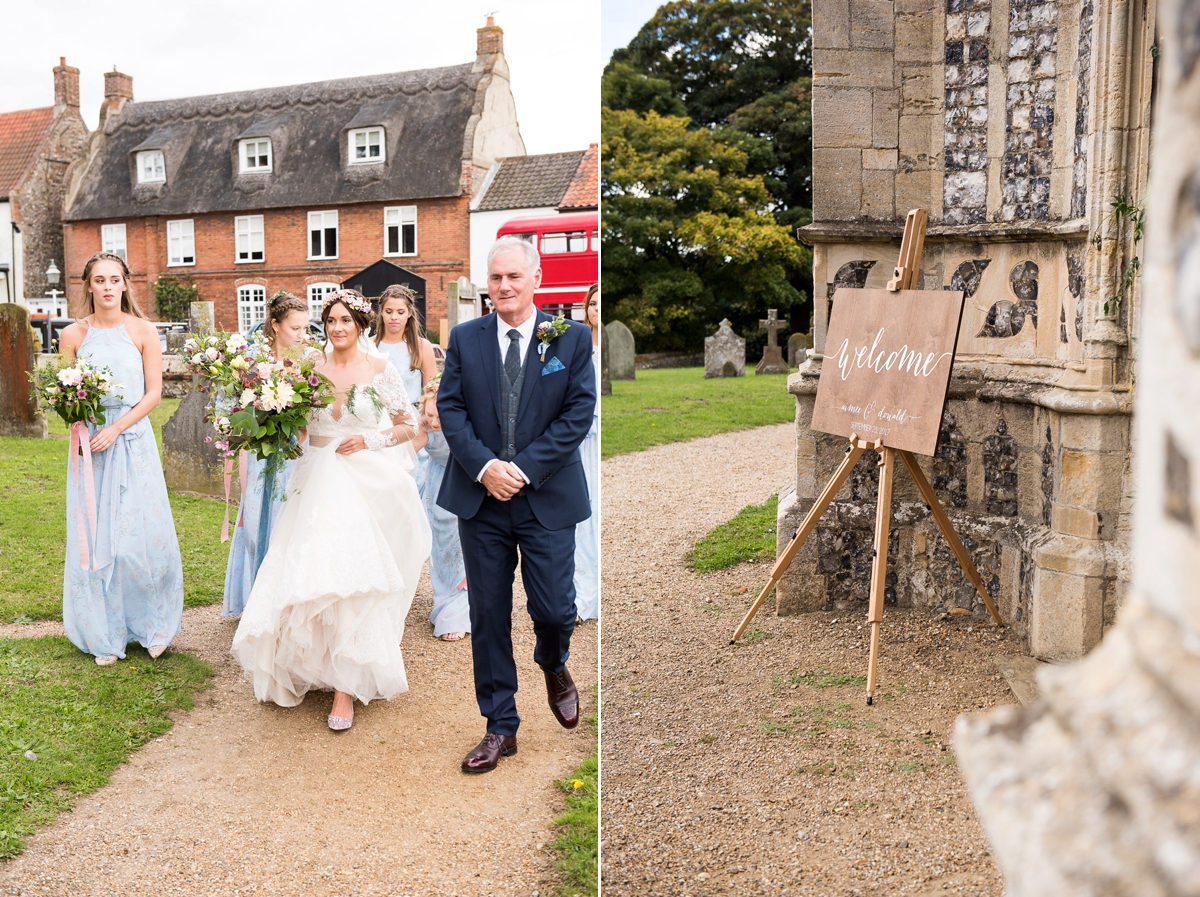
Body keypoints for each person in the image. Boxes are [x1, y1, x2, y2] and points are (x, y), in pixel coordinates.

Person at [231, 289, 431, 731]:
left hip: (364, 479)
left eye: (346, 320)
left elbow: (408, 424)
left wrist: (369, 440)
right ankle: (316, 663)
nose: (338, 327)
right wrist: (268, 423)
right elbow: (299, 427)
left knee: (352, 578)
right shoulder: (308, 368)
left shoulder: (380, 368)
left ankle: (346, 686)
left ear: (360, 325)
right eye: (332, 320)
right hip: (315, 477)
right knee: (314, 573)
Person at [437, 236, 596, 773]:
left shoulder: (569, 338)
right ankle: (500, 725)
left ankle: (553, 662)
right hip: (481, 500)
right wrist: (486, 468)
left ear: (536, 279)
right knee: (488, 615)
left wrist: (522, 470)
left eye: (514, 277)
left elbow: (577, 413)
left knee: (554, 609)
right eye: (496, 277)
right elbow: (451, 408)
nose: (503, 287)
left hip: (546, 496)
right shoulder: (465, 338)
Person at [58, 251, 184, 665]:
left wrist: (117, 427)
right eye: (100, 280)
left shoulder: (144, 331)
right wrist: (83, 420)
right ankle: (104, 631)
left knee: (140, 538)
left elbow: (153, 394)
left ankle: (153, 625)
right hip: (91, 447)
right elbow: (64, 396)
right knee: (98, 537)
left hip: (133, 441)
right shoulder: (72, 336)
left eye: (115, 279)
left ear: (126, 284)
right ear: (88, 286)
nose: (108, 287)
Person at [222, 292, 311, 617]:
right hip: (262, 457)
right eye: (295, 328)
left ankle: (287, 601)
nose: (302, 335)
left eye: (305, 327)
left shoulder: (308, 363)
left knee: (292, 523)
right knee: (260, 523)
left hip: (297, 455)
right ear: (275, 326)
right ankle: (256, 597)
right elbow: (235, 413)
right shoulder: (255, 366)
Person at [414, 377, 471, 641]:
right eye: (429, 415)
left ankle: (460, 611)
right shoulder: (421, 426)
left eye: (440, 416)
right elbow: (407, 451)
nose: (434, 422)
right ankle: (444, 598)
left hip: (461, 484)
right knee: (440, 549)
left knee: (461, 549)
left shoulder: (463, 424)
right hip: (436, 487)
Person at [573, 284, 600, 621]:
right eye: (592, 304)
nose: (596, 309)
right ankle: (581, 596)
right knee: (582, 517)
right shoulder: (574, 342)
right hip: (579, 437)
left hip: (601, 433)